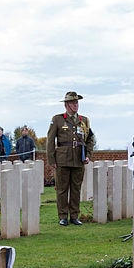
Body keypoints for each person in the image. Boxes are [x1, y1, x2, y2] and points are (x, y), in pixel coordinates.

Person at [46, 91, 95, 226]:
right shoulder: (58, 119)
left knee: (76, 189)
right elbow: (50, 140)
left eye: (77, 102)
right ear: (66, 105)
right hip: (62, 158)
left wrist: (88, 155)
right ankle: (63, 216)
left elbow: (90, 139)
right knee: (62, 189)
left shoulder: (83, 120)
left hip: (79, 158)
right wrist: (51, 160)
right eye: (73, 102)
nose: (75, 105)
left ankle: (74, 216)